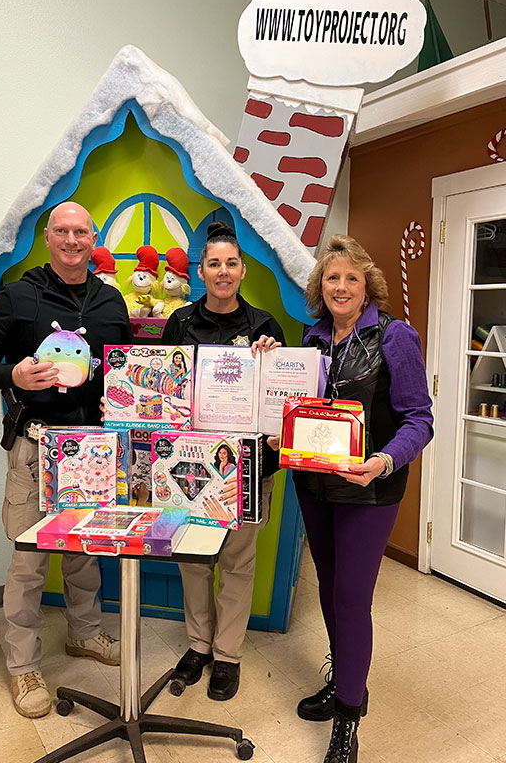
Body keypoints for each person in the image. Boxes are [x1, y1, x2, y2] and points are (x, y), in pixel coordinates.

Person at [0, 202, 133, 719]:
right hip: (35, 449)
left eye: (82, 231)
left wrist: (120, 398)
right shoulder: (19, 294)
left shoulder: (111, 300)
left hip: (93, 449)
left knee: (85, 552)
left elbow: (120, 371)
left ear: (93, 237)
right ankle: (23, 667)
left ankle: (83, 634)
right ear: (48, 236)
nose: (72, 239)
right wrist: (12, 375)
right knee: (28, 560)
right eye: (62, 230)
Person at [271, 235, 433, 763]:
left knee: (350, 599)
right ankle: (345, 683)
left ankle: (348, 720)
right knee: (328, 590)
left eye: (351, 278)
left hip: (371, 488)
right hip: (314, 486)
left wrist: (385, 460)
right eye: (331, 278)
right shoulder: (311, 339)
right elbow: (300, 410)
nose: (339, 286)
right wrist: (272, 387)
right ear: (320, 287)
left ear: (368, 287)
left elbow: (419, 419)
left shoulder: (395, 336)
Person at [162, 221, 285, 701]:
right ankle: (198, 646)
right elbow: (163, 392)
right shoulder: (180, 324)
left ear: (242, 270)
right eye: (214, 263)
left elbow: (280, 397)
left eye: (231, 263)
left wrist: (272, 361)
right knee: (192, 559)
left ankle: (228, 654)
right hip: (190, 465)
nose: (223, 271)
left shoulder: (264, 327)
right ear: (201, 271)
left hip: (250, 466)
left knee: (237, 561)